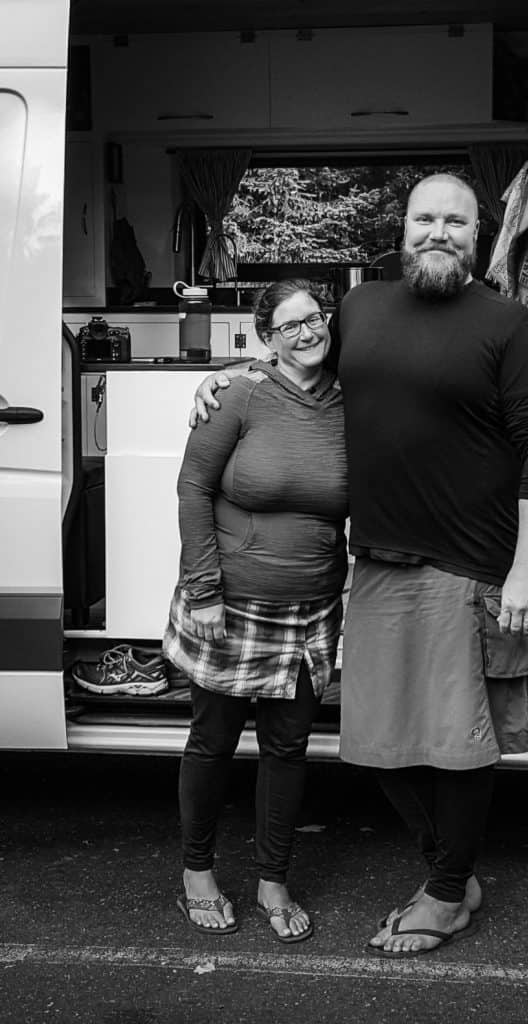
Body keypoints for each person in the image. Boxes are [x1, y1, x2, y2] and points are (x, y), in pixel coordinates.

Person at [191, 173, 528, 957]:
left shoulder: (510, 327)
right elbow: (312, 379)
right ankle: (452, 872)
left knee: (456, 742)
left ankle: (444, 890)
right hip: (377, 562)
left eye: (454, 221)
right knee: (374, 738)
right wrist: (232, 377)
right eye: (424, 218)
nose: (438, 231)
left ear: (477, 233)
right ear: (403, 228)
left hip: (468, 563)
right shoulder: (361, 309)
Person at [168, 279, 347, 942]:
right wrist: (204, 590)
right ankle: (196, 873)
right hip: (231, 601)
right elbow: (192, 488)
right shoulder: (239, 392)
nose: (307, 333)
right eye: (290, 325)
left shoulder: (346, 398)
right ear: (266, 336)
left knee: (287, 745)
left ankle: (274, 877)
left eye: (315, 319)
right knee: (212, 741)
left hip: (311, 607)